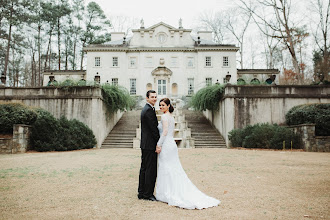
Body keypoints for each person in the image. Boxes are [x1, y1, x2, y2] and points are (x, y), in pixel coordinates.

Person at [155, 98, 220, 209]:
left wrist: (159, 144)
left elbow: (165, 132)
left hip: (166, 145)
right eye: (160, 105)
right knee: (173, 168)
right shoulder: (170, 116)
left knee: (166, 168)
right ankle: (168, 191)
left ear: (168, 105)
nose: (161, 107)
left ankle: (167, 193)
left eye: (163, 105)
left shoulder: (165, 117)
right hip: (171, 144)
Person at [138, 90, 160, 201]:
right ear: (147, 98)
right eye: (152, 97)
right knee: (150, 170)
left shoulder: (147, 109)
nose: (154, 99)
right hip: (150, 145)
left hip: (145, 144)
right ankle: (148, 194)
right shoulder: (148, 110)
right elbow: (153, 130)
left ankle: (141, 192)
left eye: (155, 97)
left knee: (144, 169)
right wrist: (159, 143)